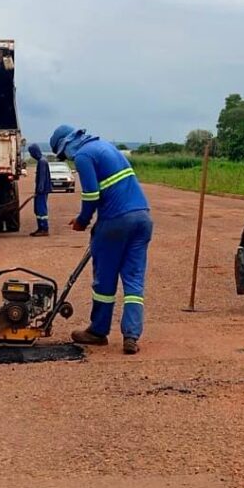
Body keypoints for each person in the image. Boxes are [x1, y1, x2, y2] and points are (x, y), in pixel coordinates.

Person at [50, 124, 152, 355]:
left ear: (66, 145)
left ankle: (98, 331)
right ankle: (131, 336)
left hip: (116, 222)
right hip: (142, 218)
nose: (66, 159)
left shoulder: (84, 156)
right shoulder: (106, 147)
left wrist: (83, 221)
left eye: (63, 154)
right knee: (134, 282)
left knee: (104, 282)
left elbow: (91, 194)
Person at [28, 143, 52, 237]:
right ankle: (40, 227)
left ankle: (44, 228)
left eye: (31, 152)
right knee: (37, 209)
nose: (31, 155)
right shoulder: (42, 160)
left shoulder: (42, 161)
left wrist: (40, 189)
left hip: (41, 190)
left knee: (41, 209)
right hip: (41, 190)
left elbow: (42, 177)